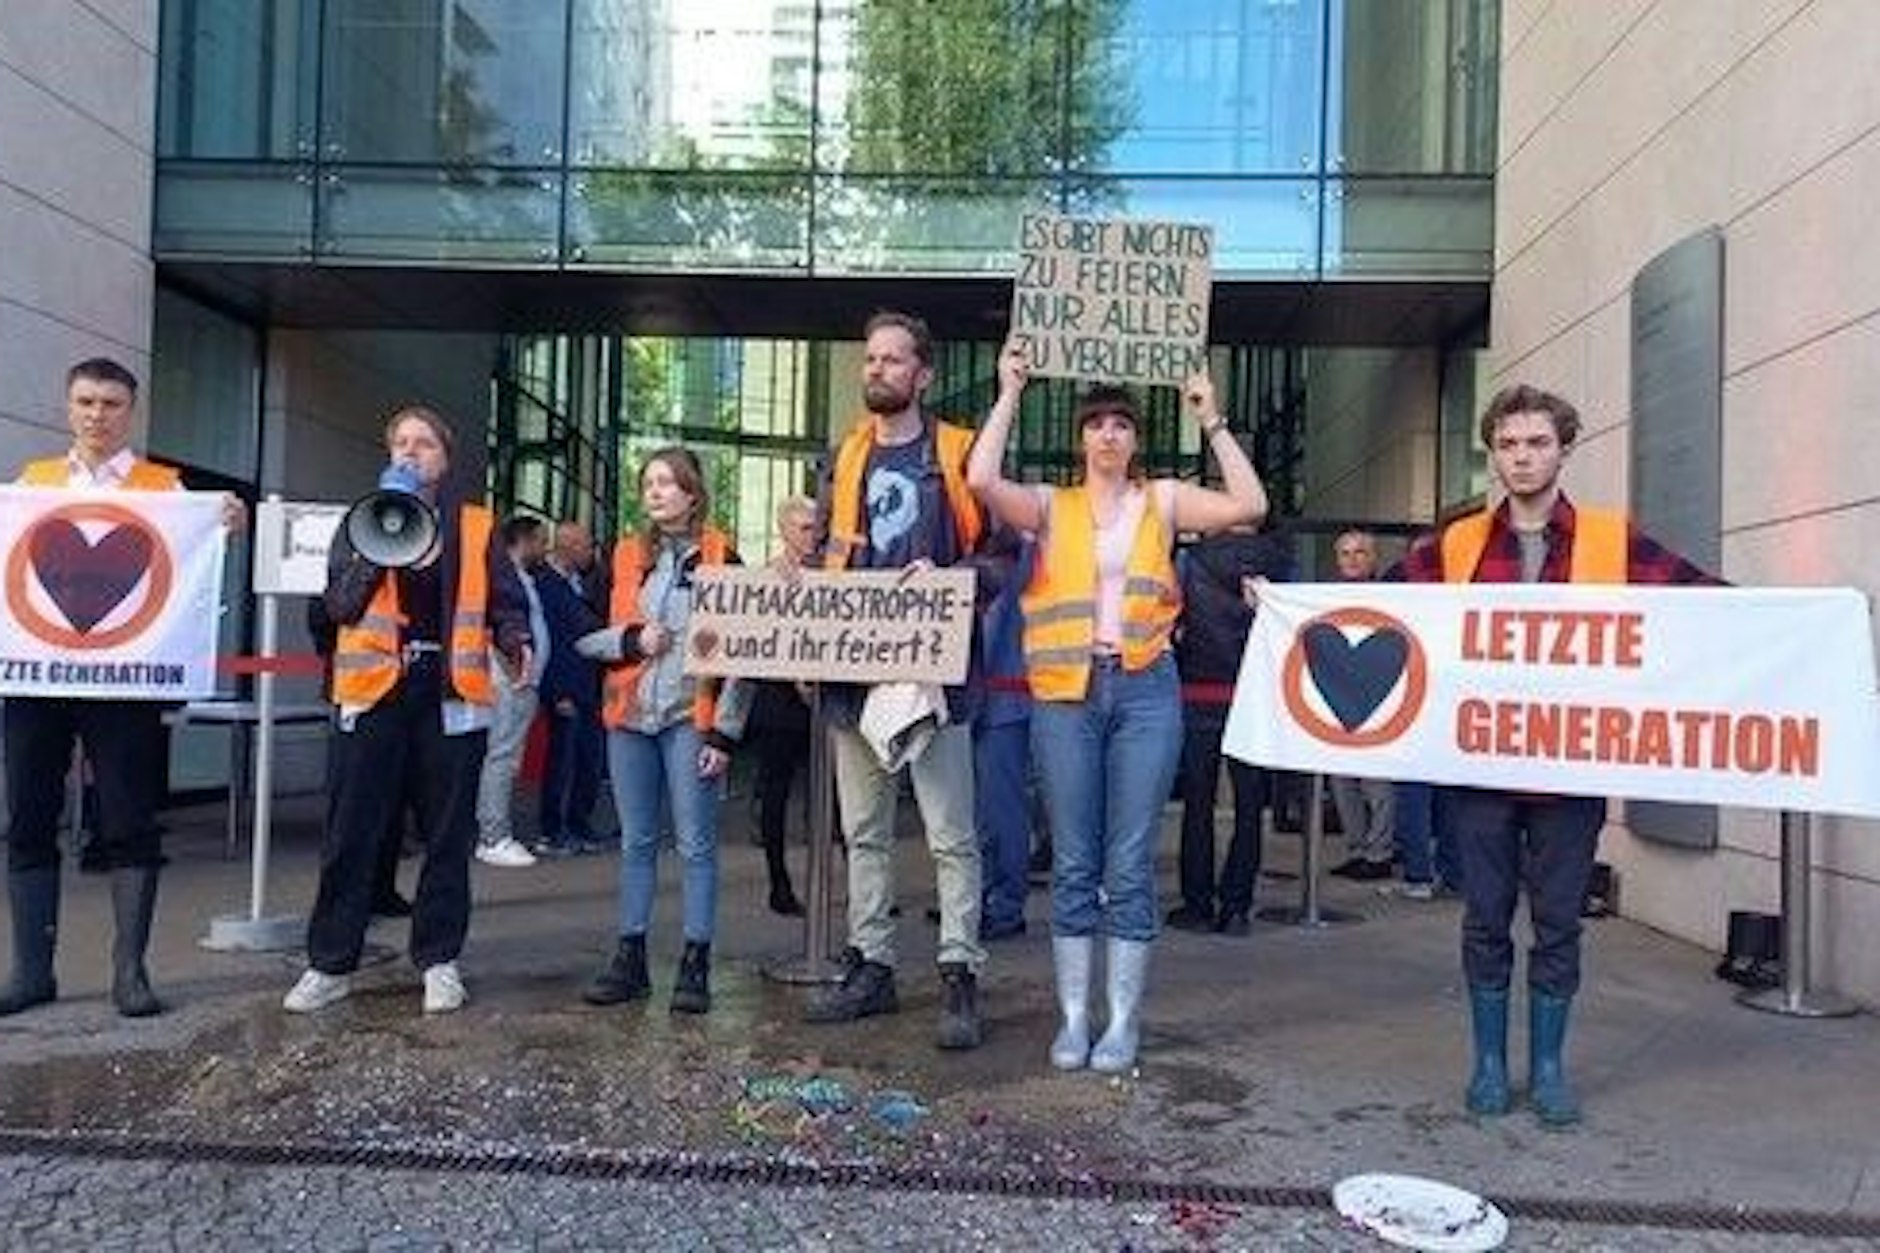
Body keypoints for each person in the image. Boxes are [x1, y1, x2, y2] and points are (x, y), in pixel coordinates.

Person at [1400, 383, 1720, 1126]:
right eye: (1508, 445)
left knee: (1558, 922)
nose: (1521, 457)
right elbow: (1380, 610)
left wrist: (1798, 622)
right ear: (1493, 454)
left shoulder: (1612, 539)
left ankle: (1546, 1068)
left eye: (1537, 443)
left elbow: (1707, 602)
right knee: (1483, 917)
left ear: (1564, 448)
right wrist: (1286, 605)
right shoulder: (1456, 545)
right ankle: (1487, 1063)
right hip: (1479, 767)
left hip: (1570, 770)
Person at [967, 338, 1268, 1073]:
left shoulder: (1161, 499)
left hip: (1145, 688)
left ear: (1135, 439)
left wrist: (1213, 420)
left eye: (1122, 423)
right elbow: (980, 477)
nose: (1109, 433)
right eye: (1096, 422)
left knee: (1129, 862)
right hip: (1066, 692)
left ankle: (1122, 1022)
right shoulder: (1050, 505)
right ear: (1081, 438)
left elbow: (1251, 504)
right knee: (1074, 859)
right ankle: (1075, 1020)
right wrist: (1009, 390)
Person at [1, 358, 244, 1019]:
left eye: (110, 403)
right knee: (25, 815)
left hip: (126, 683)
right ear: (66, 405)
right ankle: (30, 970)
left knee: (131, 819)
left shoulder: (165, 487)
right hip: (36, 678)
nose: (96, 414)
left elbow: (194, 556)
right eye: (85, 400)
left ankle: (129, 970)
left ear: (129, 411)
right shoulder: (31, 484)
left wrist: (225, 520)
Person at [802, 309, 1009, 1051]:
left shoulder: (957, 453)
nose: (877, 371)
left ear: (924, 373)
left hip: (936, 676)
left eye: (893, 360)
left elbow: (1004, 555)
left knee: (951, 832)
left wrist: (951, 576)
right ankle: (872, 964)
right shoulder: (846, 457)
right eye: (870, 359)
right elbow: (828, 554)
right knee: (864, 830)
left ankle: (960, 970)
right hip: (855, 677)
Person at [283, 405, 532, 1016]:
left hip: (448, 699)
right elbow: (336, 607)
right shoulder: (359, 520)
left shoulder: (474, 527)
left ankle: (440, 961)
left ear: (444, 461)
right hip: (371, 696)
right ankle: (329, 963)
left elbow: (503, 599)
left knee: (447, 837)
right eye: (400, 443)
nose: (410, 453)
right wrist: (377, 544)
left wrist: (513, 636)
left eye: (423, 444)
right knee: (351, 833)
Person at [579, 448, 750, 1015]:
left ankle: (695, 962)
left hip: (688, 720)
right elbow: (582, 637)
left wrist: (724, 734)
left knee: (697, 845)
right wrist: (630, 641)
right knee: (637, 842)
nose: (655, 493)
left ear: (692, 493)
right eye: (648, 482)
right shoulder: (624, 556)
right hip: (628, 719)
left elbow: (746, 655)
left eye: (666, 483)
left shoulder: (725, 557)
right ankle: (630, 957)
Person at [1168, 523, 1291, 936]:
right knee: (1249, 804)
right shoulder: (1280, 562)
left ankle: (1197, 903)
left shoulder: (1191, 561)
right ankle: (1237, 905)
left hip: (1200, 690)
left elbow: (1172, 620)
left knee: (1198, 802)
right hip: (1255, 694)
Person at [746, 496, 818, 916]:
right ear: (784, 530)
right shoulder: (764, 578)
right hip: (779, 702)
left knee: (835, 796)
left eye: (815, 527)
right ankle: (779, 883)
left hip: (824, 699)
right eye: (804, 528)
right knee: (775, 794)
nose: (813, 535)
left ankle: (858, 886)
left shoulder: (832, 573)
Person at [473, 515, 550, 868]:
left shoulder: (523, 580)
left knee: (508, 755)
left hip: (522, 676)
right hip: (510, 676)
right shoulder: (507, 581)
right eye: (540, 540)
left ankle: (495, 831)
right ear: (523, 540)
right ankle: (493, 834)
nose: (545, 548)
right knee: (502, 754)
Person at [1326, 529, 1396, 881]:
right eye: (1345, 553)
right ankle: (1356, 850)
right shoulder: (1324, 599)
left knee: (1377, 785)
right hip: (1337, 703)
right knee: (1342, 783)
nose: (1352, 559)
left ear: (1373, 558)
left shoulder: (1391, 598)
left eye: (1360, 553)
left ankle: (1380, 854)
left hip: (1380, 703)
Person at [535, 519, 607, 856]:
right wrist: (558, 692)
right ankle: (554, 829)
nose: (591, 551)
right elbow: (552, 642)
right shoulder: (548, 586)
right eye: (586, 545)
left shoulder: (578, 583)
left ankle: (579, 824)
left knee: (587, 760)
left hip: (587, 684)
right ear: (569, 548)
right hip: (567, 686)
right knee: (562, 762)